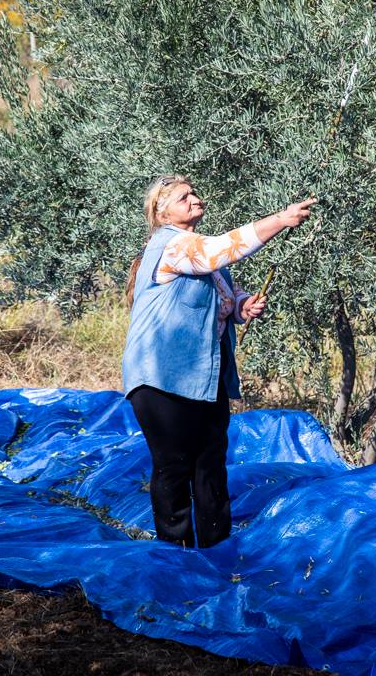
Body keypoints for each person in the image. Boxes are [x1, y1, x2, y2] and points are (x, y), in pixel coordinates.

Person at [122, 175, 316, 548]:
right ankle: (175, 553)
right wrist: (280, 220)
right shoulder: (172, 245)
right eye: (184, 197)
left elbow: (225, 295)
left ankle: (217, 550)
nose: (194, 198)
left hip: (204, 377)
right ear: (162, 214)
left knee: (210, 464)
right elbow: (220, 250)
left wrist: (243, 306)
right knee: (174, 465)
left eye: (194, 192)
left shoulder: (204, 257)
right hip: (161, 376)